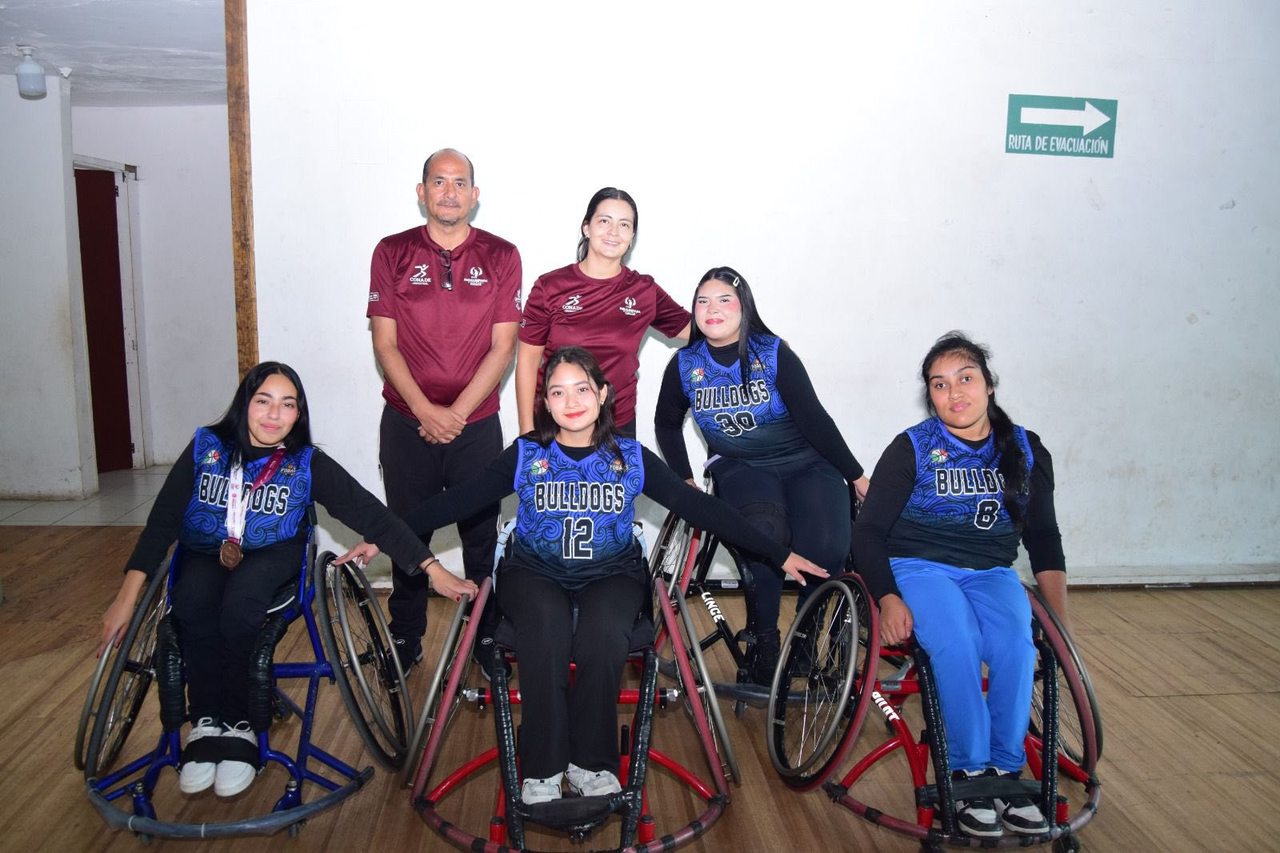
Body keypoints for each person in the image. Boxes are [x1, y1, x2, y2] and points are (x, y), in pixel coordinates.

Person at [360, 346, 826, 805]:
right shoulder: (527, 454)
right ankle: (542, 767)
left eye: (582, 389)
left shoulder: (630, 456)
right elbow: (456, 500)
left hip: (612, 573)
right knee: (545, 629)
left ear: (602, 394)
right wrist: (385, 536)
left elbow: (698, 507)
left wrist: (777, 554)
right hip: (534, 571)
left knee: (603, 636)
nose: (571, 401)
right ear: (545, 402)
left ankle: (592, 763)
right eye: (558, 392)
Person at [98, 362, 476, 799]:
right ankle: (205, 721)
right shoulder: (207, 447)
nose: (274, 414)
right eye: (264, 401)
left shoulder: (305, 462)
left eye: (287, 404)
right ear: (245, 404)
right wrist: (126, 599)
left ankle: (239, 725)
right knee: (192, 602)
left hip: (272, 555)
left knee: (240, 606)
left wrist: (432, 569)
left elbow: (371, 514)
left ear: (299, 414)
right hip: (205, 551)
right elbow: (162, 521)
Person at [851, 332, 1068, 839]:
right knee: (957, 641)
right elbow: (868, 532)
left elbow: (1043, 537)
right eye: (940, 384)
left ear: (989, 385)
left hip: (991, 571)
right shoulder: (912, 448)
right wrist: (888, 597)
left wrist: (1060, 622)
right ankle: (966, 771)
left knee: (1017, 646)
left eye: (965, 379)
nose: (955, 393)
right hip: (919, 566)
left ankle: (1005, 771)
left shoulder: (1026, 449)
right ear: (931, 396)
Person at [653, 266, 871, 685]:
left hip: (806, 461)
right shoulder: (684, 365)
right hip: (740, 465)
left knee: (826, 545)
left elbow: (814, 418)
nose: (712, 309)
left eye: (724, 300)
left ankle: (805, 640)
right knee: (765, 533)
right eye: (702, 301)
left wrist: (857, 477)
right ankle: (764, 641)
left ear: (744, 307)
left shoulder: (773, 353)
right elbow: (666, 423)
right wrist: (684, 479)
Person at [366, 148, 522, 672]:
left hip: (475, 426)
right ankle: (406, 636)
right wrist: (425, 412)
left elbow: (504, 346)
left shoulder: (502, 255)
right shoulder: (391, 251)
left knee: (481, 539)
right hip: (405, 423)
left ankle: (485, 634)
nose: (449, 192)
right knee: (407, 532)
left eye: (459, 183)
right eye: (438, 181)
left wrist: (454, 413)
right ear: (422, 192)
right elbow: (385, 344)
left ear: (474, 195)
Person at [515, 187, 690, 437]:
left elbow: (699, 330)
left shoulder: (644, 291)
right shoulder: (550, 286)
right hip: (556, 424)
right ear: (586, 228)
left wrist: (734, 315)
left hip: (617, 426)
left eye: (624, 225)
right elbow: (528, 361)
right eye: (604, 221)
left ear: (632, 236)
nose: (613, 232)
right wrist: (527, 431)